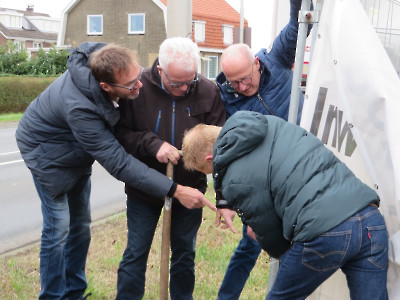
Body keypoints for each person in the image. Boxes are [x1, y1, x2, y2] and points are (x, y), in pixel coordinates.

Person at [15, 42, 215, 300]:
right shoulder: (81, 109)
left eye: (137, 77)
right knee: (59, 229)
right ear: (106, 87)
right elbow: (120, 163)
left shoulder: (107, 61)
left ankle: (74, 291)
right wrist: (175, 190)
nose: (140, 86)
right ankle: (53, 296)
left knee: (81, 225)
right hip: (48, 155)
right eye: (132, 85)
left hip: (77, 151)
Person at [182, 110, 389, 300]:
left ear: (211, 158)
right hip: (369, 215)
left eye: (208, 170)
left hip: (324, 231)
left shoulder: (233, 177)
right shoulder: (270, 124)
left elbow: (269, 232)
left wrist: (269, 243)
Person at [113, 37, 225, 300]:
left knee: (185, 253)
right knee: (136, 252)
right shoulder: (137, 89)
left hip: (189, 188)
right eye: (177, 83)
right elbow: (121, 135)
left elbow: (221, 147)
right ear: (160, 70)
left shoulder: (208, 91)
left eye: (190, 80)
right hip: (145, 188)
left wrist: (223, 197)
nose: (185, 88)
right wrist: (154, 145)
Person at [214, 0, 313, 297]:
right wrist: (224, 199)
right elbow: (223, 151)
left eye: (245, 79)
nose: (242, 88)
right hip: (266, 180)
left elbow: (298, 25)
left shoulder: (278, 58)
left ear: (256, 63)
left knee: (299, 244)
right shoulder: (226, 99)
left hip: (304, 165)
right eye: (234, 83)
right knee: (251, 244)